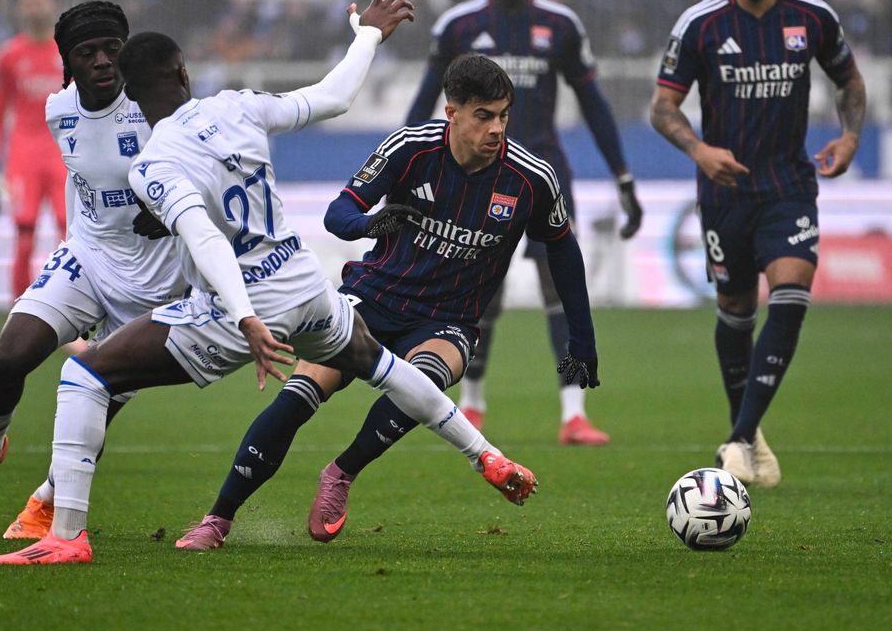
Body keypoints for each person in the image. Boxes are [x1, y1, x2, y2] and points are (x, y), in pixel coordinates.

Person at [0, 0, 548, 566]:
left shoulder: (153, 162)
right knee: (381, 365)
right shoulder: (237, 106)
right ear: (184, 73)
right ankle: (485, 454)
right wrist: (367, 37)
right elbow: (332, 98)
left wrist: (246, 318)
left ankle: (67, 536)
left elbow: (203, 238)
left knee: (85, 376)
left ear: (130, 90)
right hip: (307, 285)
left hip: (244, 307)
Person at [175, 53, 599, 550]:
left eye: (503, 115)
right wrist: (367, 223)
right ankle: (218, 519)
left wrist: (582, 339)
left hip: (449, 318)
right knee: (302, 393)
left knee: (421, 384)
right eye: (483, 115)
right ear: (453, 112)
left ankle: (341, 472)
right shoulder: (409, 148)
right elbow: (339, 214)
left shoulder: (531, 178)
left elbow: (564, 253)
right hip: (372, 298)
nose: (496, 128)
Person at [0, 1, 185, 540]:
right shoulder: (56, 111)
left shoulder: (160, 107)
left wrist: (170, 211)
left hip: (156, 286)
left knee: (95, 400)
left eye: (112, 49)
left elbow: (206, 164)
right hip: (87, 259)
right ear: (67, 62)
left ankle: (47, 501)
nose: (102, 61)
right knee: (7, 358)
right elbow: (82, 178)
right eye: (87, 52)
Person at [648, 0, 867, 488]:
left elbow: (850, 82)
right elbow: (662, 107)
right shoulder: (699, 25)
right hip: (725, 193)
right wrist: (698, 151)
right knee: (737, 309)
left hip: (788, 185)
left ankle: (740, 437)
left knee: (792, 290)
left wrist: (849, 136)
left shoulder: (812, 18)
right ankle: (745, 429)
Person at [405, 0, 640, 446]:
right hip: (472, 181)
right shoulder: (458, 26)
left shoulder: (560, 25)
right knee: (479, 294)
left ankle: (574, 412)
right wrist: (409, 175)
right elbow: (423, 105)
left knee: (562, 290)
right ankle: (474, 403)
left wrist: (623, 176)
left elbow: (595, 106)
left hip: (544, 177)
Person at [0, 0, 68, 298]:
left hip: (64, 158)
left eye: (39, 1)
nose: (34, 9)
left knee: (70, 236)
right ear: (20, 9)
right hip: (24, 157)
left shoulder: (69, 52)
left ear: (52, 3)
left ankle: (72, 309)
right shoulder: (9, 56)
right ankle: (20, 314)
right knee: (25, 237)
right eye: (28, 2)